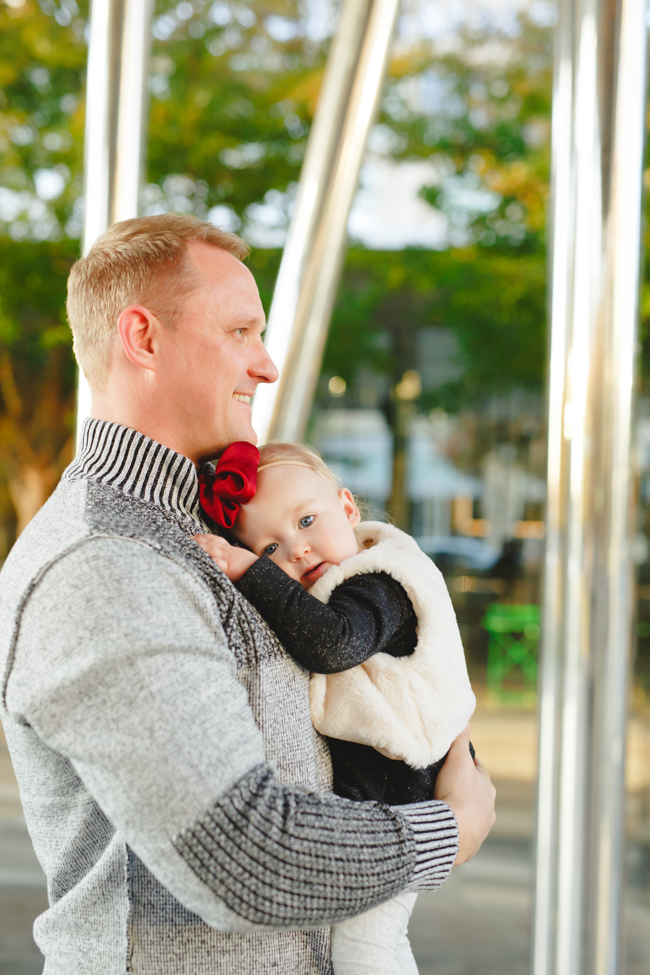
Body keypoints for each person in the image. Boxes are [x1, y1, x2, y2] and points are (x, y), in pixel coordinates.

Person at [0, 214, 496, 975]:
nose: (266, 365)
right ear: (144, 338)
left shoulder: (203, 531)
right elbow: (244, 854)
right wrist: (446, 830)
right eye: (240, 330)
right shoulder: (107, 563)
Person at [194, 439, 478, 975]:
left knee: (364, 948)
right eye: (270, 548)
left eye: (306, 520)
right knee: (378, 941)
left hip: (400, 790)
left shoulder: (384, 579)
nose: (296, 550)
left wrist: (248, 570)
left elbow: (333, 644)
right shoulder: (331, 583)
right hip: (383, 788)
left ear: (348, 508)